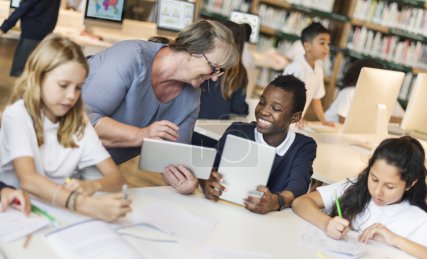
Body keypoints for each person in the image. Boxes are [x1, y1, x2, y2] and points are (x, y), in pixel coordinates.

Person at [0, 34, 131, 222]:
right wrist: (83, 203)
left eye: (78, 87)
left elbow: (116, 178)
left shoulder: (80, 121)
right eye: (63, 85)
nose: (71, 96)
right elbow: (28, 179)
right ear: (38, 78)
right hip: (18, 212)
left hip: (56, 212)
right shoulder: (17, 115)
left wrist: (92, 186)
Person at [81, 20, 238, 169]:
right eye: (213, 67)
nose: (215, 77)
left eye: (220, 71)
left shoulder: (191, 98)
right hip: (63, 154)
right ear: (191, 52)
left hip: (98, 168)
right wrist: (140, 135)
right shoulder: (129, 57)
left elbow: (173, 159)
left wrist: (184, 178)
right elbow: (79, 120)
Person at [292, 136, 427, 257]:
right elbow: (301, 202)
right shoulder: (355, 187)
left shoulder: (415, 219)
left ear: (410, 184)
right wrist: (326, 223)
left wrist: (395, 239)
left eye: (390, 186)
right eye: (374, 179)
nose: (377, 191)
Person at [203, 75, 317, 214]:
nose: (263, 111)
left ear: (295, 117)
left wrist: (276, 201)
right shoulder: (237, 132)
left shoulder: (303, 146)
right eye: (262, 102)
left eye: (276, 108)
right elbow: (209, 169)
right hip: (222, 210)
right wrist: (206, 183)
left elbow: (298, 185)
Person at [283, 22, 333, 126]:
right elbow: (284, 98)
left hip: (295, 124)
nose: (327, 48)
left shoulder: (319, 70)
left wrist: (324, 121)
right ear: (307, 46)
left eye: (328, 44)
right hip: (282, 121)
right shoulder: (295, 68)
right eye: (322, 43)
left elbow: (316, 98)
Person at [325, 59, 404, 123]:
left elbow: (402, 119)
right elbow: (343, 120)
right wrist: (380, 120)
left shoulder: (385, 95)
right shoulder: (349, 92)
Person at [198, 20, 249, 120]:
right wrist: (246, 108)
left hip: (195, 120)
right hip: (217, 128)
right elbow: (238, 107)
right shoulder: (240, 72)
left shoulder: (208, 62)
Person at [0, 0, 61, 77]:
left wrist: (4, 28)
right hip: (45, 35)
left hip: (31, 34)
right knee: (35, 73)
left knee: (21, 73)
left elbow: (22, 8)